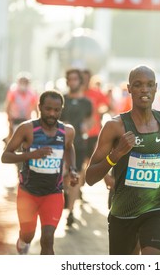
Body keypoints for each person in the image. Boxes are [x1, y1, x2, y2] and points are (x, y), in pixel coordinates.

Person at [85, 65, 160, 255]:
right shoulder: (115, 126)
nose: (144, 89)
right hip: (123, 210)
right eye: (138, 85)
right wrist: (116, 155)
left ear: (156, 88)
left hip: (156, 206)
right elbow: (90, 177)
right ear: (129, 88)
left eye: (149, 85)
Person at [1, 90, 79, 255]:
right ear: (40, 107)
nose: (52, 114)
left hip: (53, 193)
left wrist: (72, 168)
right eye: (48, 109)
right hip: (28, 193)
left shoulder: (67, 131)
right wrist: (31, 155)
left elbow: (69, 147)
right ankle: (23, 240)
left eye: (56, 110)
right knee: (28, 235)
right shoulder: (27, 129)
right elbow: (5, 156)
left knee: (48, 239)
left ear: (61, 110)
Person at [59, 68, 92, 226]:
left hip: (78, 145)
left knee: (75, 177)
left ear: (80, 81)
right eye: (69, 79)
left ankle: (71, 211)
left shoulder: (87, 103)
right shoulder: (62, 100)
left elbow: (91, 121)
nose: (72, 82)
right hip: (61, 145)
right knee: (64, 177)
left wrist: (86, 126)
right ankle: (65, 194)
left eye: (75, 79)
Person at [4, 72, 38, 143]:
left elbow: (35, 107)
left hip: (26, 119)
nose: (23, 84)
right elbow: (8, 106)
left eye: (25, 82)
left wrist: (37, 120)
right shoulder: (13, 92)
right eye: (22, 82)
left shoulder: (32, 93)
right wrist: (9, 117)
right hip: (15, 118)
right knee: (11, 136)